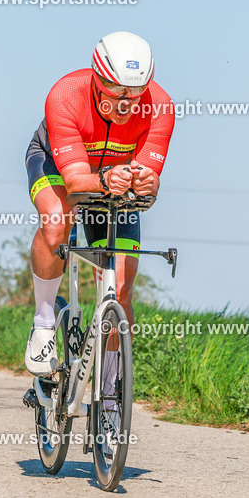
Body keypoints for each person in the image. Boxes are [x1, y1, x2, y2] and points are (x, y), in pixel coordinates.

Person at [23, 31, 175, 387]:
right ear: (97, 77)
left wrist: (148, 184)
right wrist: (106, 178)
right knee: (57, 221)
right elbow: (76, 184)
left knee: (121, 289)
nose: (126, 103)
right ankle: (44, 323)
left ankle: (110, 387)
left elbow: (147, 185)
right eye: (116, 91)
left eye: (135, 93)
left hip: (112, 175)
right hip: (57, 165)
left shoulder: (161, 106)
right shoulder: (64, 96)